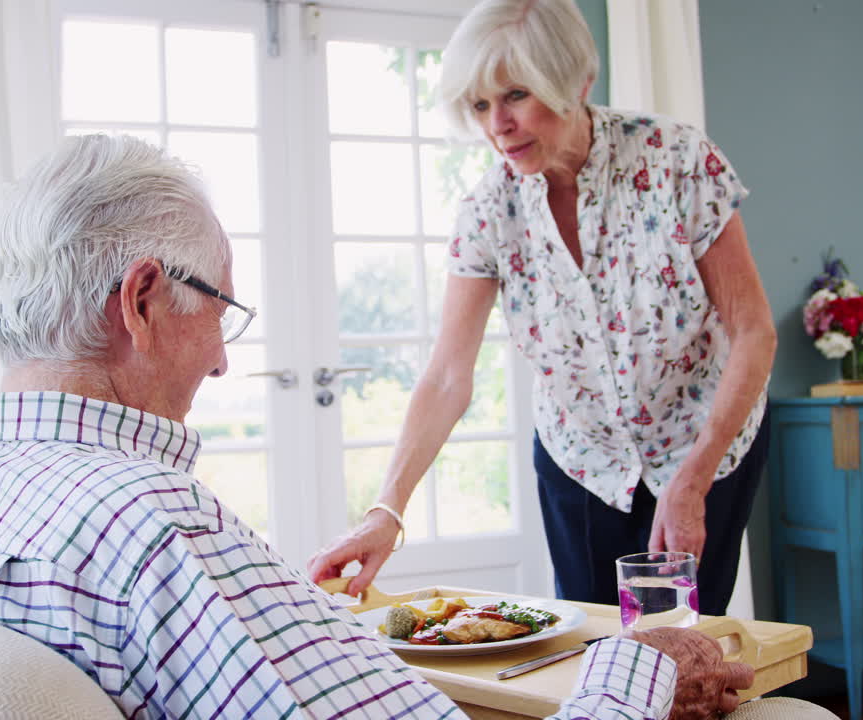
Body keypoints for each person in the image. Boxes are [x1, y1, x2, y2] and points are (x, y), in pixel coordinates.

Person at [0, 134, 767, 720]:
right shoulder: (154, 528)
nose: (222, 360)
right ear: (143, 300)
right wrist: (643, 673)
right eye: (219, 306)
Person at [308, 0, 777, 617]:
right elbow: (448, 375)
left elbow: (753, 331)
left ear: (575, 82)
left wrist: (694, 476)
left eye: (516, 95)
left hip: (703, 441)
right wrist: (385, 512)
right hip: (581, 458)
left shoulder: (676, 160)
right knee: (590, 645)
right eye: (479, 105)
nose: (497, 124)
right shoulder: (487, 213)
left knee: (687, 639)